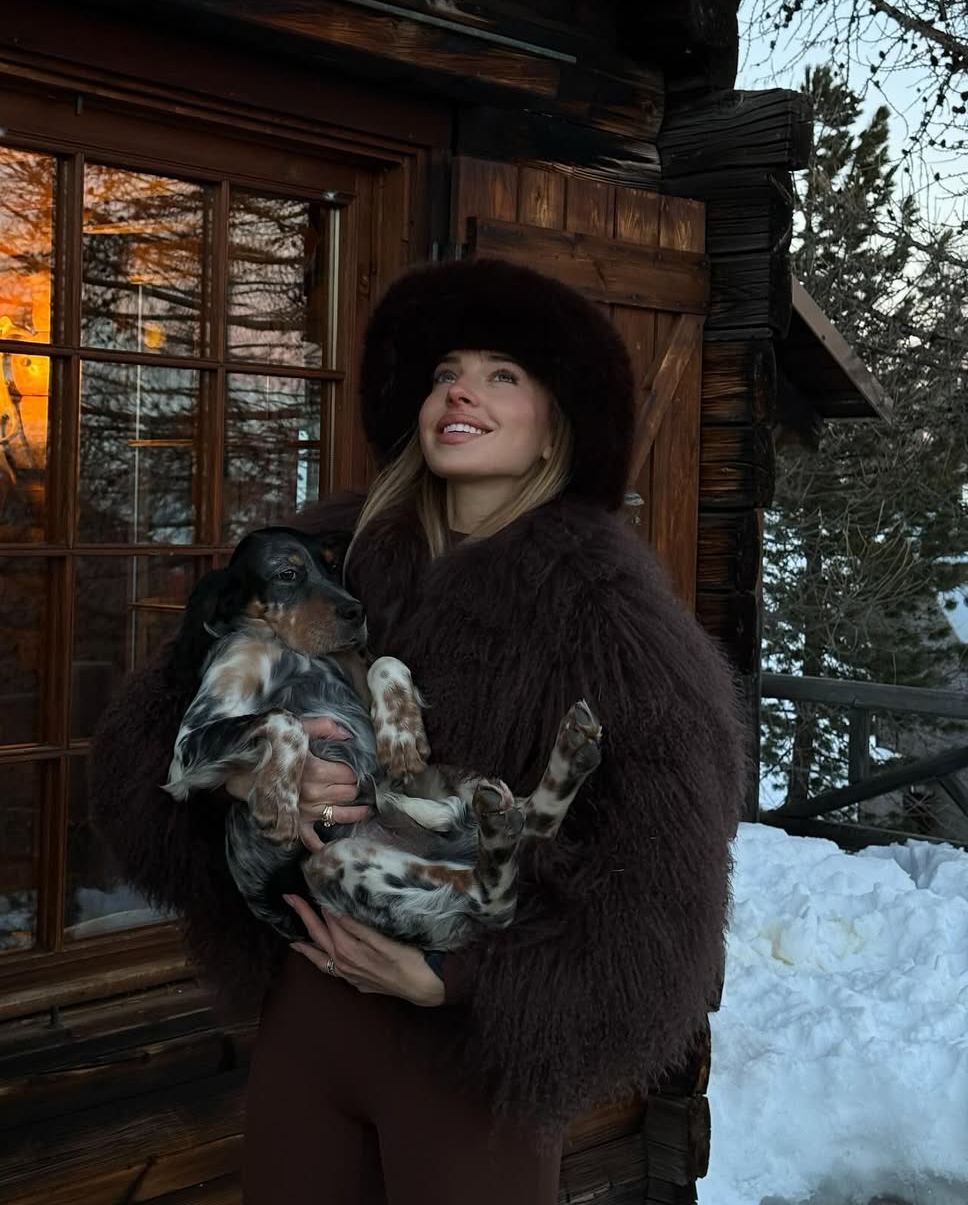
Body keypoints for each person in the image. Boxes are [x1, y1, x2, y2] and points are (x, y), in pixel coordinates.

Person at [90, 257, 745, 1205]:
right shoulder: (321, 562)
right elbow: (150, 737)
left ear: (556, 425)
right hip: (306, 1021)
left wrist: (458, 978)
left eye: (502, 374)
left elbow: (663, 886)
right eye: (446, 372)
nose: (461, 392)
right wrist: (241, 776)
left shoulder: (614, 622)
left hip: (468, 1056)